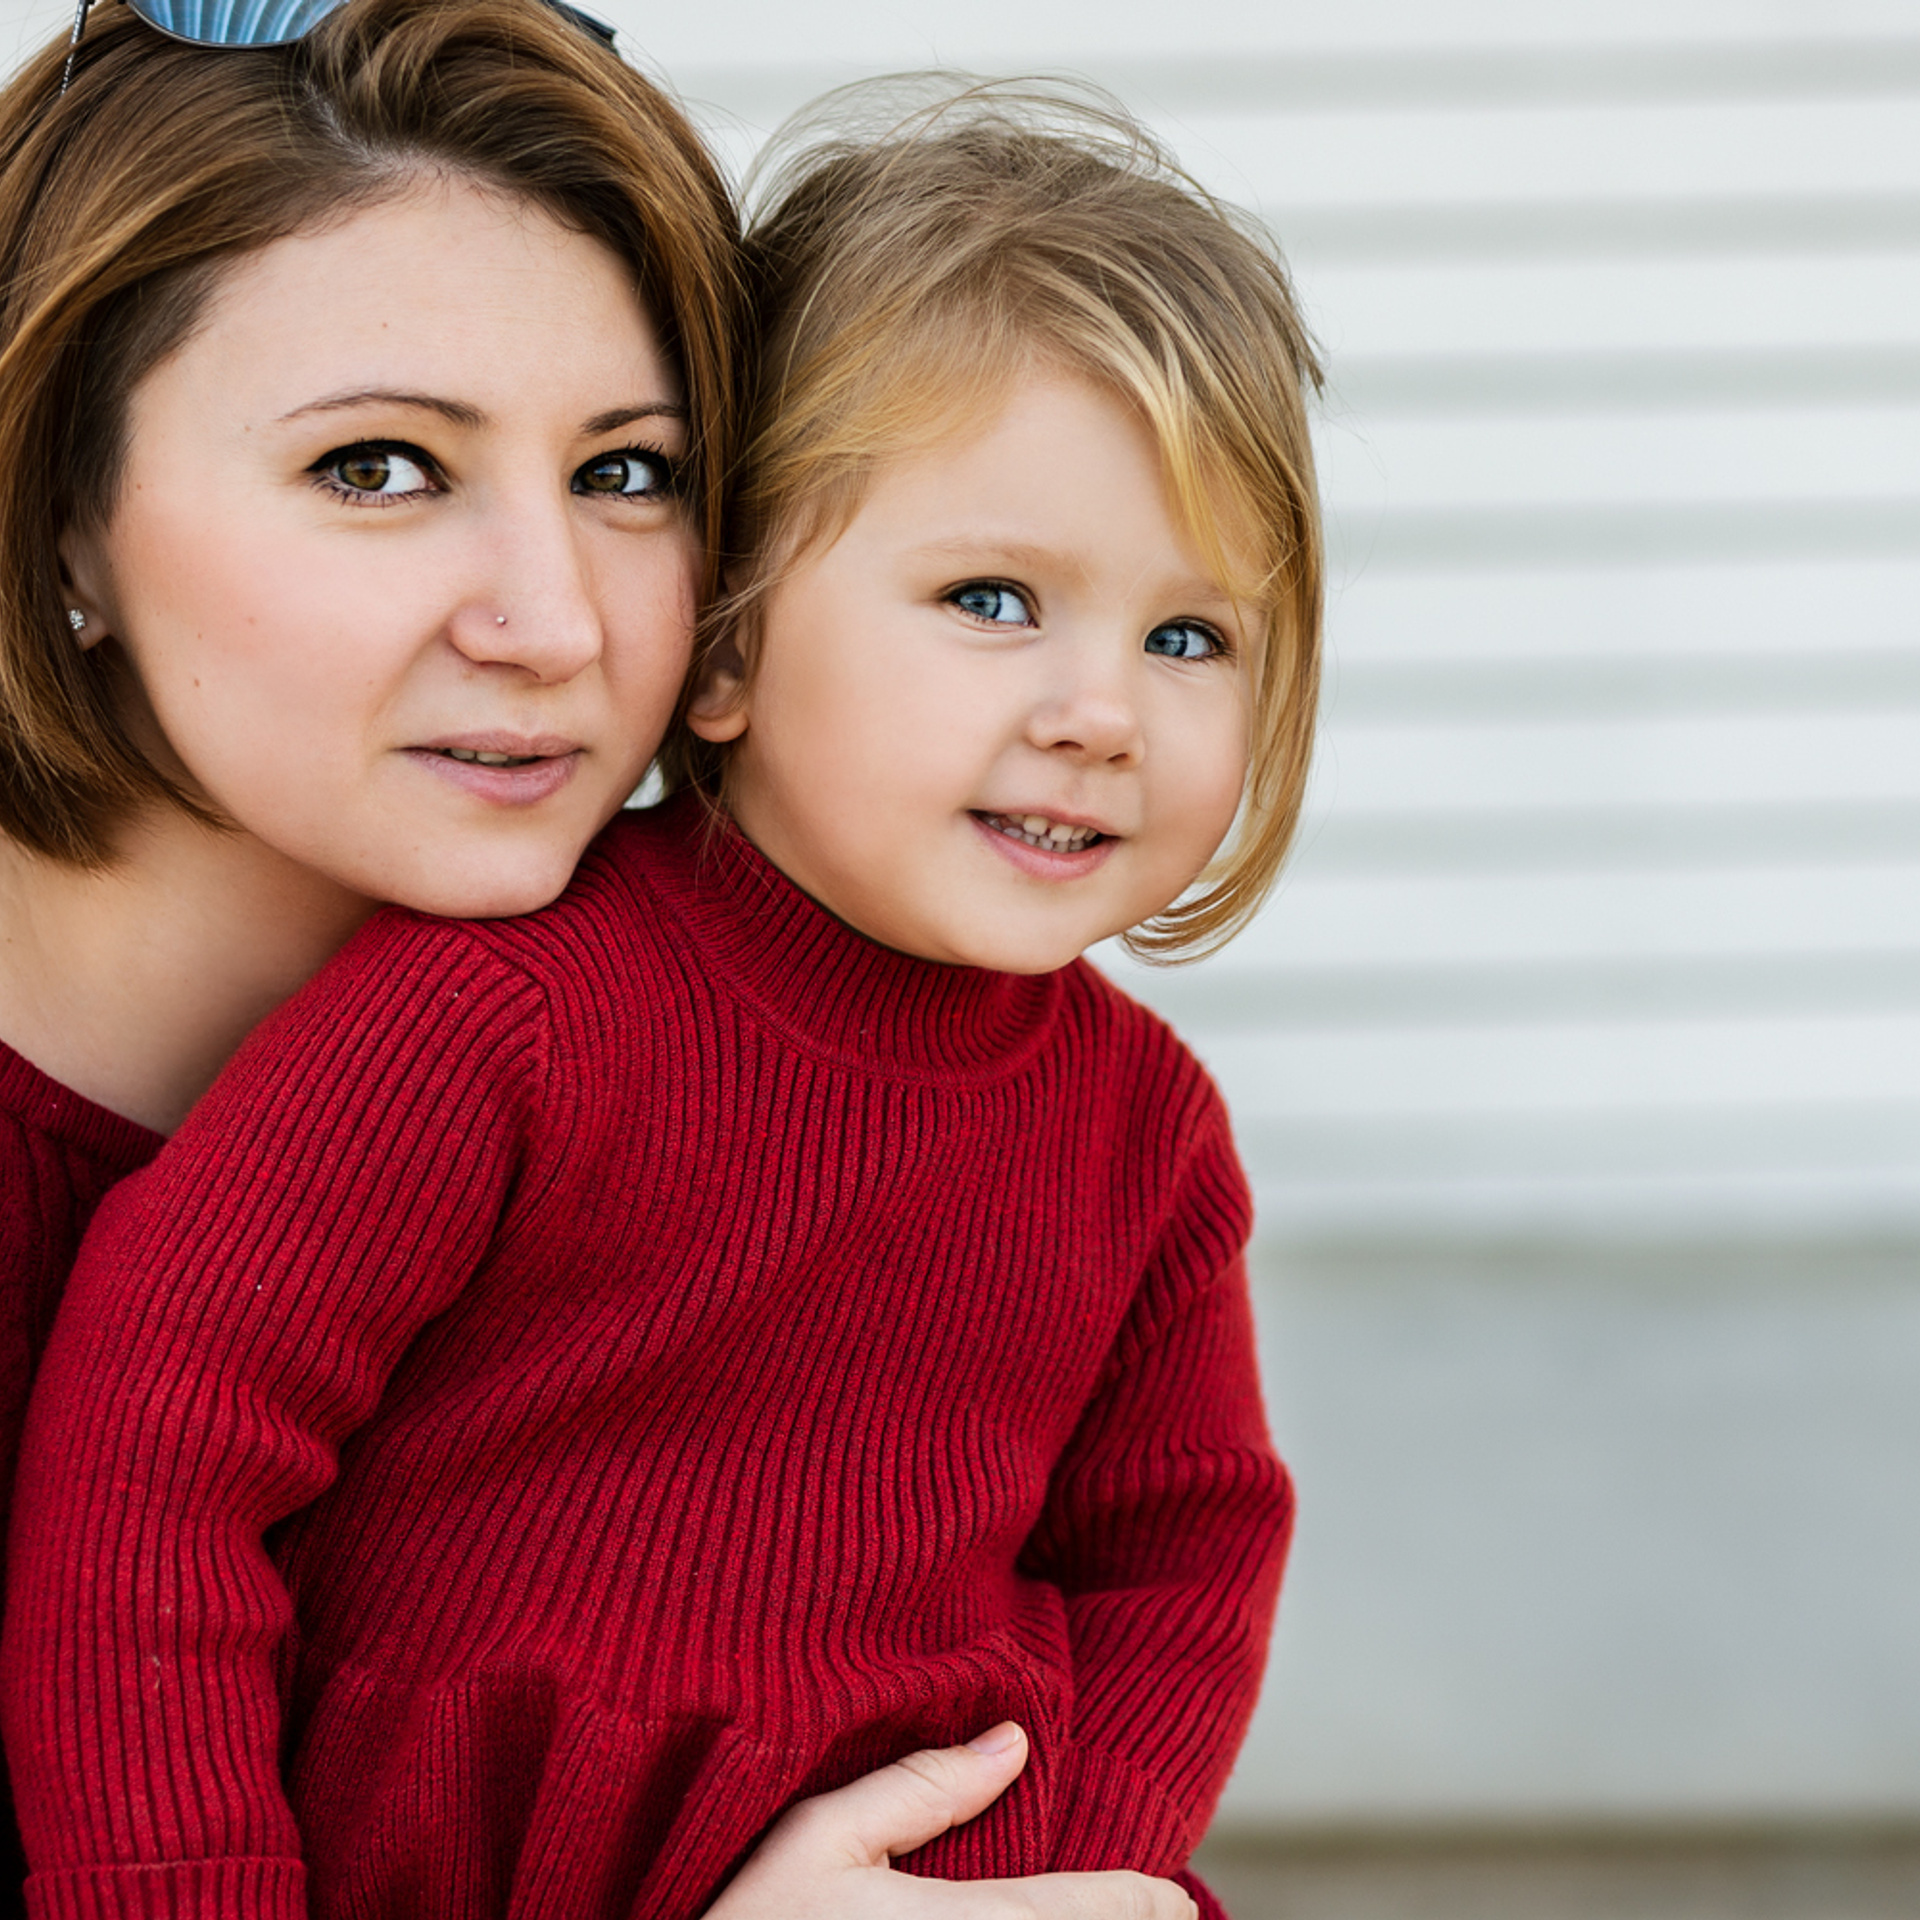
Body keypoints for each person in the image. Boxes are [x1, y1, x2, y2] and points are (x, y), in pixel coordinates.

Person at [3, 75, 1322, 1920]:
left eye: (627, 476)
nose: (1100, 712)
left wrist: (1054, 1879)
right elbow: (159, 1467)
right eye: (375, 466)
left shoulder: (1139, 1128)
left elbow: (1181, 1552)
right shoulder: (496, 1021)